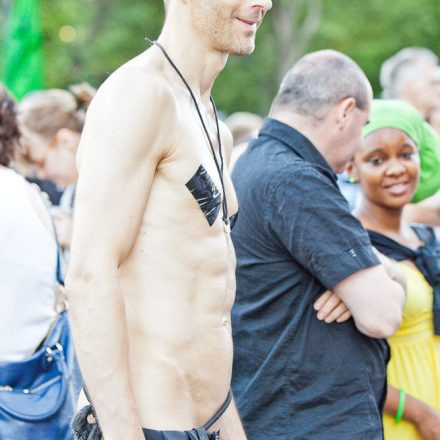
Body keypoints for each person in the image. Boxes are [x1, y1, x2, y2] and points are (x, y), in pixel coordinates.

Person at [66, 1, 272, 439]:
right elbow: (88, 273)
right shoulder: (140, 93)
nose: (264, 3)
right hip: (146, 423)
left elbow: (207, 305)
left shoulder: (216, 124)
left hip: (209, 421)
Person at [230, 50, 406, 440]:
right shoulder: (295, 179)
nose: (360, 143)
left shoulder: (256, 163)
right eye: (364, 126)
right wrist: (381, 275)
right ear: (345, 112)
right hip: (309, 420)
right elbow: (383, 315)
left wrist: (369, 271)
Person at [347, 99, 440, 440]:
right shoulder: (350, 245)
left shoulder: (426, 238)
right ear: (351, 167)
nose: (396, 168)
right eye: (377, 159)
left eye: (406, 154)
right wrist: (419, 414)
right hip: (398, 421)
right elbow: (341, 364)